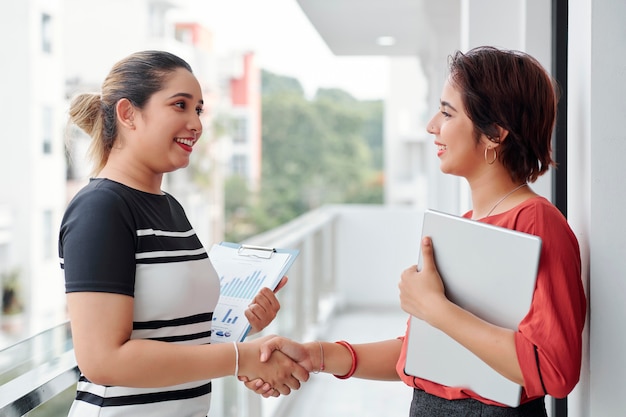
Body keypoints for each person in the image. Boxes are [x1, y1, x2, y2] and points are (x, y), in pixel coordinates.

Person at [250, 46, 587, 416]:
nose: (432, 126)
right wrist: (315, 355)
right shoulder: (468, 222)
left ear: (494, 134)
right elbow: (423, 355)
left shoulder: (538, 223)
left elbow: (555, 371)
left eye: (446, 112)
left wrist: (435, 308)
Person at [59, 50, 308, 417]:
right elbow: (102, 360)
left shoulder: (170, 207)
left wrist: (241, 328)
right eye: (180, 105)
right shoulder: (101, 208)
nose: (196, 123)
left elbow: (172, 340)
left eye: (199, 110)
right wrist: (240, 358)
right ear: (128, 114)